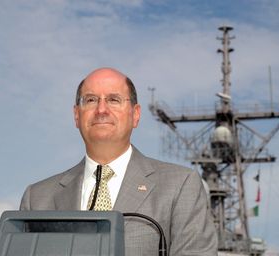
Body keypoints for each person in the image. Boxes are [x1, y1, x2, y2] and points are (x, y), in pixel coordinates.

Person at [20, 67, 218, 255]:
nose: (101, 109)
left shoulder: (180, 186)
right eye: (90, 100)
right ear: (76, 115)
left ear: (136, 114)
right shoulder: (36, 198)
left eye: (114, 100)